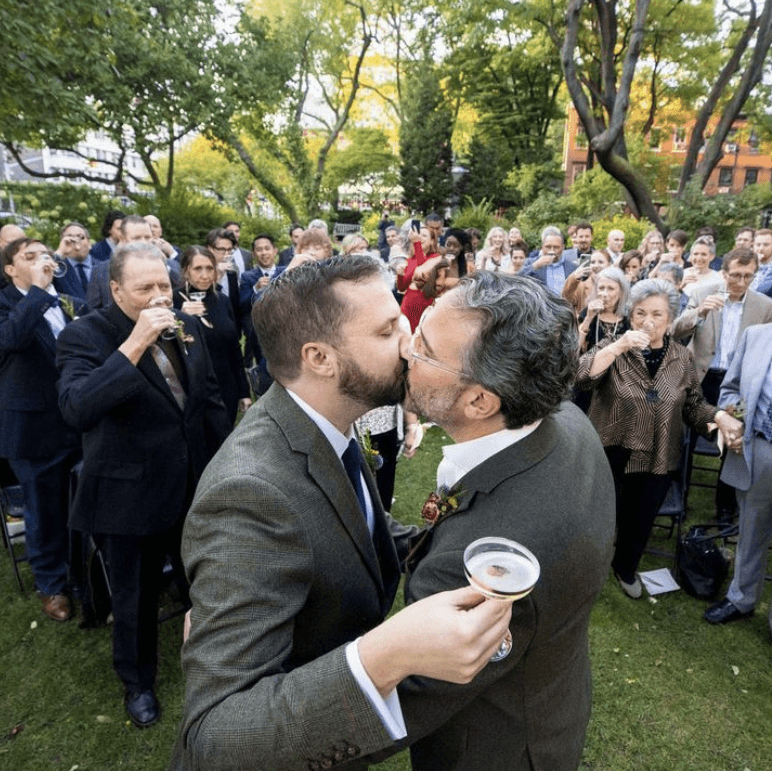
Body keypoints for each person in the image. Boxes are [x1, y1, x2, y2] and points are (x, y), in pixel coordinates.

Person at [169, 255, 512, 770]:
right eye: (386, 330)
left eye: (401, 319)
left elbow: (352, 525)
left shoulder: (324, 423)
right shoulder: (249, 493)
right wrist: (385, 657)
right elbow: (217, 733)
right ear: (320, 358)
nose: (410, 341)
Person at [395, 272, 616, 771]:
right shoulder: (566, 422)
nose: (407, 348)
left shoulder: (480, 565)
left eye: (425, 349)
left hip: (490, 748)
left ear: (479, 401)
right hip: (549, 700)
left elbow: (405, 696)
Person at [56, 242, 232, 728]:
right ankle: (137, 682)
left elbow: (208, 401)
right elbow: (76, 408)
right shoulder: (84, 336)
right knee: (134, 595)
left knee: (205, 578)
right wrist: (134, 344)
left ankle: (215, 658)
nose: (159, 297)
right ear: (115, 290)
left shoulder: (188, 325)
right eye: (145, 288)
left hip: (191, 483)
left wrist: (227, 465)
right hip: (128, 495)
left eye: (164, 285)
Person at [576, 279, 742, 599]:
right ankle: (587, 567)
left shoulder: (681, 358)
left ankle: (625, 567)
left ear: (670, 320)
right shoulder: (613, 346)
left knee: (640, 520)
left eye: (657, 314)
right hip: (613, 448)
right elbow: (582, 377)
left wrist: (718, 416)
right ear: (629, 315)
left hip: (658, 453)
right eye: (640, 313)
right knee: (598, 515)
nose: (648, 321)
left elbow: (692, 406)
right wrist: (619, 346)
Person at [0, 238, 83, 621]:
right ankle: (51, 585)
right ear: (10, 269)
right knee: (42, 509)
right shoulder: (8, 302)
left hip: (74, 420)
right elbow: (13, 339)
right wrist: (35, 290)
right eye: (29, 257)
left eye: (45, 254)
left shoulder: (63, 297)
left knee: (79, 501)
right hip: (32, 429)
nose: (42, 261)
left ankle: (82, 572)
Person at [671, 247, 772, 522]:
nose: (740, 282)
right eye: (735, 275)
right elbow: (676, 330)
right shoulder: (703, 292)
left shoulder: (763, 305)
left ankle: (725, 508)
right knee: (686, 442)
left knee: (732, 442)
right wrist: (699, 313)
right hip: (701, 379)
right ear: (724, 272)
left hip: (736, 386)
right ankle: (680, 498)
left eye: (748, 276)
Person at [703, 323, 772, 632]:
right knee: (751, 527)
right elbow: (731, 390)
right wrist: (736, 420)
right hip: (759, 448)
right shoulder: (756, 335)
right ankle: (742, 598)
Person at [174, 246, 252, 424]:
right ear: (186, 271)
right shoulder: (175, 302)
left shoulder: (222, 300)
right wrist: (180, 317)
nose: (205, 275)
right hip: (192, 391)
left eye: (209, 268)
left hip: (226, 388)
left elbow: (234, 351)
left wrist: (243, 392)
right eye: (197, 269)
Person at [576, 266, 630, 353]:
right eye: (601, 288)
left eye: (611, 288)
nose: (604, 294)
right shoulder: (587, 313)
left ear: (621, 292)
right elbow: (574, 348)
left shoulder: (629, 317)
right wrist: (588, 319)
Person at [525, 226, 579, 294]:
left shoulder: (572, 267)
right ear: (542, 247)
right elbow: (514, 279)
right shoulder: (531, 263)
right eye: (548, 247)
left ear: (563, 247)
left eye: (556, 247)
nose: (552, 250)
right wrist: (535, 266)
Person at [562, 248, 612, 315]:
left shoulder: (615, 285)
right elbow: (567, 299)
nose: (596, 266)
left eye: (600, 262)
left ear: (609, 265)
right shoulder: (581, 284)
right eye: (593, 262)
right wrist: (573, 278)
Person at [53, 221, 93, 302]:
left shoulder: (106, 266)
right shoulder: (57, 268)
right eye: (69, 237)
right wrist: (60, 252)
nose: (75, 240)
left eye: (80, 237)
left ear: (89, 243)